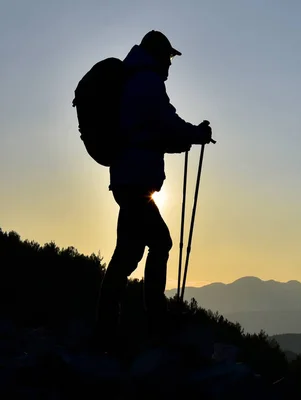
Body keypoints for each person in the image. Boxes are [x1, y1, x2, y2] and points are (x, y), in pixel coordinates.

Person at [93, 30, 213, 349]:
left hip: (127, 177)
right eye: (169, 58)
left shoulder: (134, 80)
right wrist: (195, 134)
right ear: (158, 55)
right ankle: (155, 322)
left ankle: (108, 326)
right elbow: (166, 124)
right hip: (134, 181)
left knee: (129, 251)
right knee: (161, 242)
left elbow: (152, 135)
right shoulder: (147, 82)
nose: (171, 65)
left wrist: (188, 138)